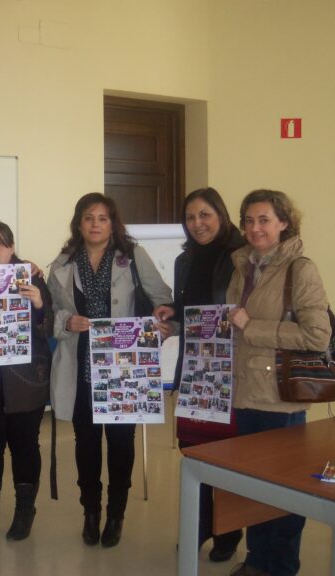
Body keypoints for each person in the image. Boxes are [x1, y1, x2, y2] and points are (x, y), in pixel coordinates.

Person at [48, 193, 172, 548]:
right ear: (79, 223)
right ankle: (91, 511)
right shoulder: (62, 263)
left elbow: (162, 300)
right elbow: (51, 317)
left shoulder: (132, 257)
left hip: (125, 369)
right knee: (85, 445)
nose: (96, 224)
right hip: (81, 366)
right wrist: (66, 321)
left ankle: (116, 513)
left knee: (120, 445)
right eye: (89, 218)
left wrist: (163, 322)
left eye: (103, 218)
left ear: (112, 222)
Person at [225, 189, 330, 576]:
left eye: (264, 219)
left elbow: (316, 336)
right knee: (253, 486)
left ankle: (281, 568)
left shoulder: (301, 269)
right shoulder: (244, 265)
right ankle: (256, 562)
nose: (255, 228)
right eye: (249, 221)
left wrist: (252, 327)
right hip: (244, 394)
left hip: (280, 398)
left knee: (284, 493)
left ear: (284, 222)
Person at [154, 188, 245, 563]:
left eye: (205, 215)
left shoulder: (241, 255)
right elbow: (187, 307)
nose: (198, 224)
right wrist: (169, 316)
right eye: (190, 217)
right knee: (194, 449)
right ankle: (202, 522)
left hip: (233, 366)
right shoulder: (184, 260)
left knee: (229, 453)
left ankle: (228, 529)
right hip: (195, 364)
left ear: (220, 215)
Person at [0, 220, 53, 542]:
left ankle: (24, 510)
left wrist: (39, 304)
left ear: (12, 248)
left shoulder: (31, 278)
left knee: (25, 445)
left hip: (25, 379)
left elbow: (49, 328)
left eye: (1, 244)